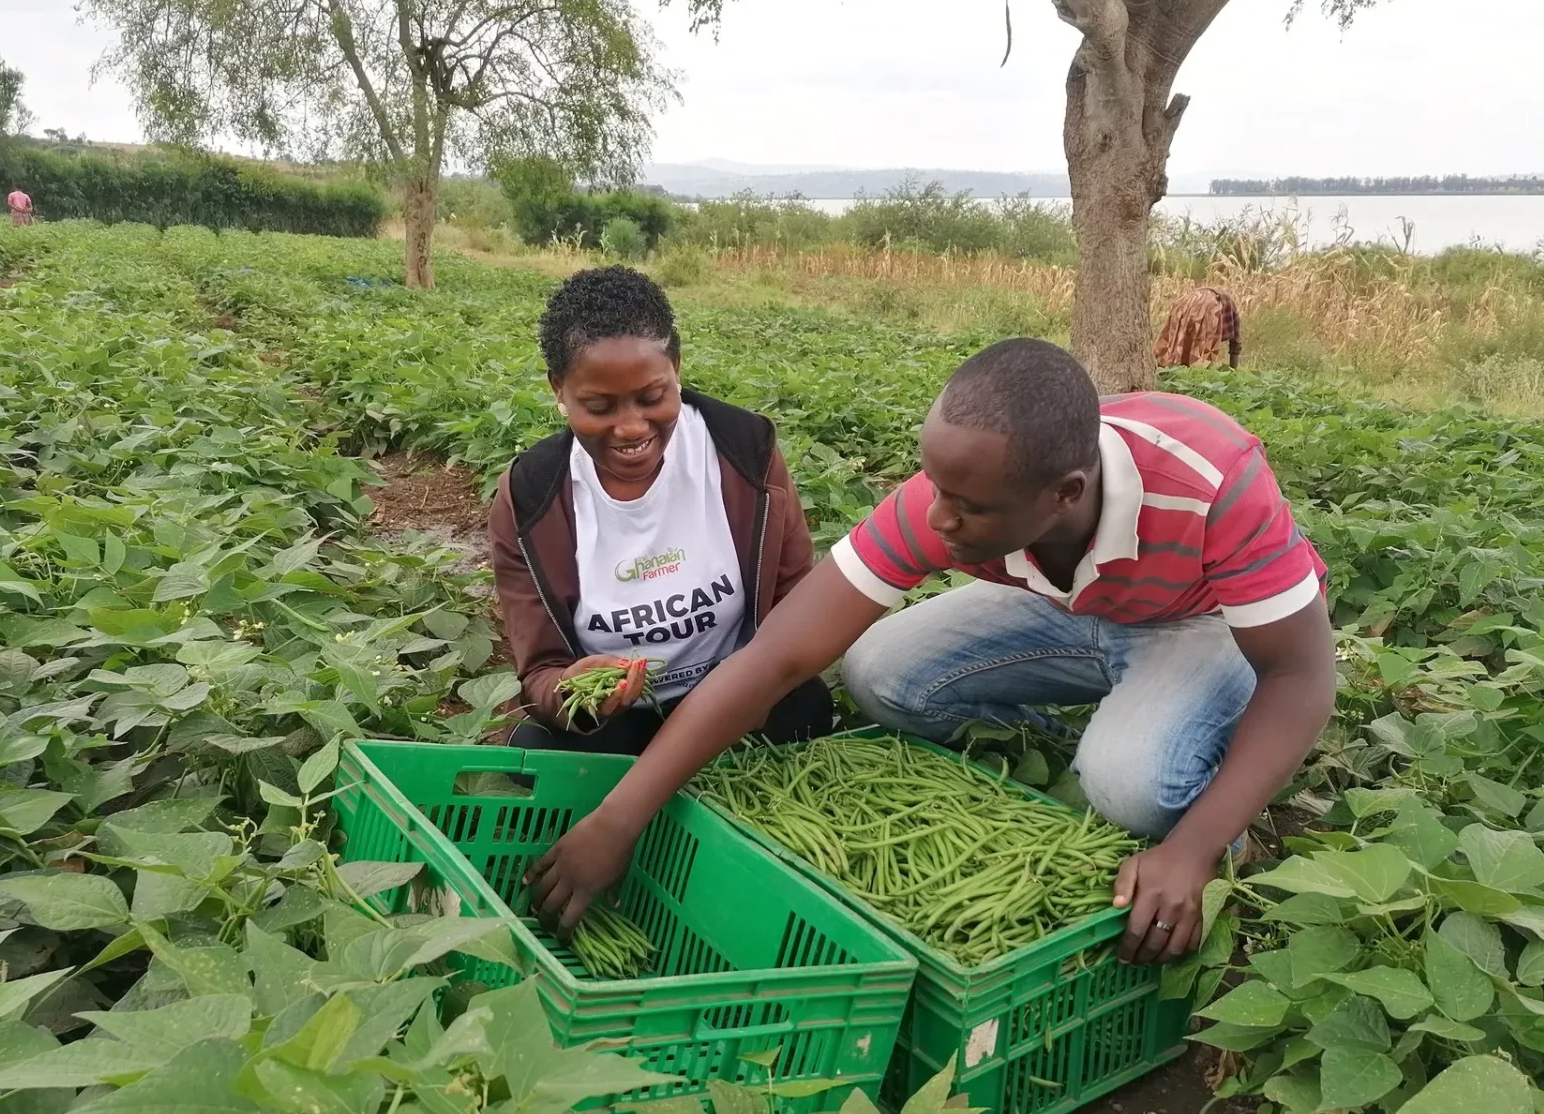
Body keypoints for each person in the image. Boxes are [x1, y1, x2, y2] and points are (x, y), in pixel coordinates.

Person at [527, 337, 1337, 965]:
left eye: (968, 507)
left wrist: (1191, 850)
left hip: (1201, 623)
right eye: (934, 486)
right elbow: (780, 655)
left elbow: (1301, 677)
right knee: (879, 674)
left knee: (1130, 788)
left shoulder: (1211, 480)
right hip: (1064, 605)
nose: (938, 520)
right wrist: (620, 815)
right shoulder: (959, 492)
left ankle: (1190, 785)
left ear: (1066, 496)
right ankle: (1104, 730)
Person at [489, 265, 832, 755]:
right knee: (536, 747)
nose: (631, 428)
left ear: (676, 367)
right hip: (620, 720)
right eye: (599, 407)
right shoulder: (532, 496)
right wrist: (570, 691)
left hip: (733, 701)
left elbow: (793, 598)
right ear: (558, 389)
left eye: (652, 397)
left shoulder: (743, 453)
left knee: (806, 709)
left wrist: (756, 685)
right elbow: (540, 670)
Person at [1155, 286, 1240, 369]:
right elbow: (1236, 344)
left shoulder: (1225, 304)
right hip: (1207, 304)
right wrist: (1233, 371)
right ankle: (1199, 373)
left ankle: (1162, 369)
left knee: (1176, 338)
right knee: (1203, 351)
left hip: (1184, 302)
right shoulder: (1230, 309)